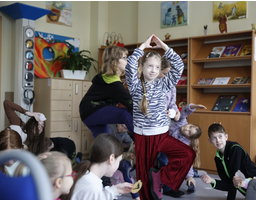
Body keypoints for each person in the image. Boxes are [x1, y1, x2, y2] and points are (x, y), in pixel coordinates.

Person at [125, 34, 195, 200]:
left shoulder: (164, 84)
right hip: (142, 136)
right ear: (142, 66)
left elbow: (178, 65)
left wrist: (164, 46)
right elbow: (129, 66)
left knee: (187, 155)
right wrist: (142, 47)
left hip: (162, 134)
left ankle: (159, 177)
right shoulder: (135, 85)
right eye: (150, 66)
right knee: (143, 177)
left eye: (157, 67)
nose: (153, 70)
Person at [79, 46, 134, 138]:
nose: (126, 60)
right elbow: (131, 103)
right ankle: (142, 142)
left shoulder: (110, 78)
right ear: (114, 62)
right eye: (124, 58)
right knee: (126, 113)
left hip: (88, 112)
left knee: (105, 143)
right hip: (93, 110)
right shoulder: (112, 81)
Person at [200, 123, 256, 200]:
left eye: (220, 136)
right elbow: (228, 183)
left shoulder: (235, 149)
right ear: (210, 141)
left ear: (226, 137)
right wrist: (212, 181)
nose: (218, 140)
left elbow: (235, 177)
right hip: (251, 192)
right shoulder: (217, 158)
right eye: (214, 138)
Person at [158, 103, 206, 198]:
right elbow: (184, 112)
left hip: (168, 153)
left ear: (188, 136)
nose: (186, 128)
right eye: (189, 127)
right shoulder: (182, 123)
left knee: (169, 164)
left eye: (189, 132)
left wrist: (189, 176)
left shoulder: (184, 143)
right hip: (161, 142)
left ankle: (173, 186)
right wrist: (194, 106)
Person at [65, 133, 133, 200]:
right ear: (111, 159)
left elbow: (97, 197)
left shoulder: (88, 176)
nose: (118, 165)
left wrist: (115, 190)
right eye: (119, 161)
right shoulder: (91, 186)